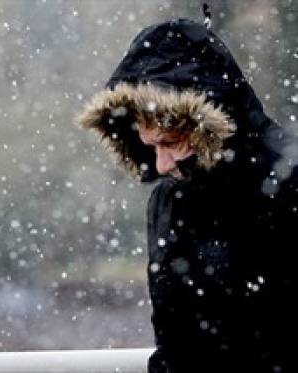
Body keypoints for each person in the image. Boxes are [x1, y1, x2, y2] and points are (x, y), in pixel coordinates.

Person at [75, 14, 298, 373]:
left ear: (207, 123)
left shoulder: (287, 185)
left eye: (171, 143)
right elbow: (176, 345)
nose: (161, 165)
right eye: (149, 146)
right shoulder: (170, 202)